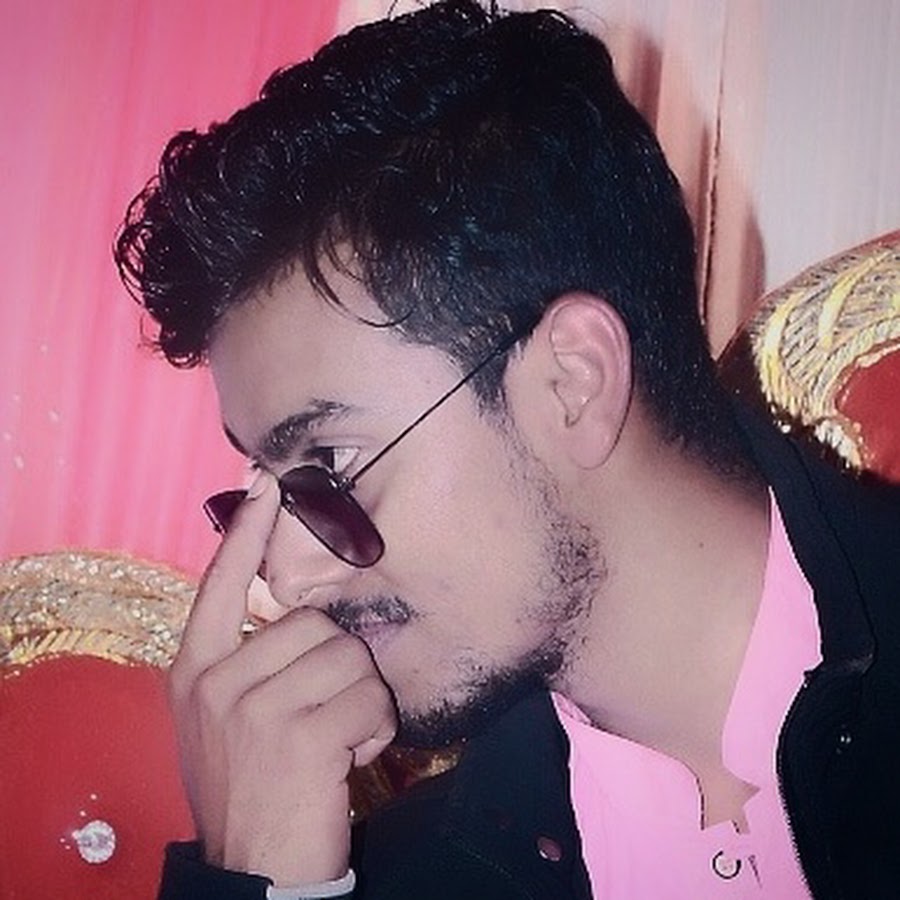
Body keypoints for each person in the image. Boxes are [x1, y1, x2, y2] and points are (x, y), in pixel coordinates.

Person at [115, 2, 900, 897]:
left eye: (327, 468)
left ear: (573, 380)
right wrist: (257, 884)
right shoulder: (382, 871)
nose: (287, 578)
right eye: (262, 500)